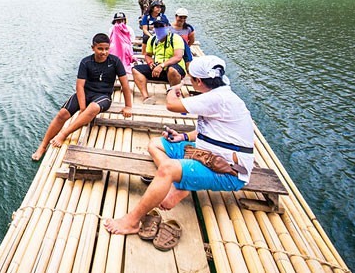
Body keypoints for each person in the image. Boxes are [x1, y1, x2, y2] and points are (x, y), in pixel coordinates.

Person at [104, 55, 254, 235]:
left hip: (228, 171)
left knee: (167, 169)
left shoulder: (217, 99)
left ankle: (132, 221)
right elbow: (206, 130)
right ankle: (181, 183)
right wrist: (183, 136)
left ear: (198, 81)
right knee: (155, 144)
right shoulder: (218, 95)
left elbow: (171, 105)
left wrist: (172, 89)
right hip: (205, 153)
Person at [32, 33, 133, 161]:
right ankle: (42, 146)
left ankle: (64, 134)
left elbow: (125, 84)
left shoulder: (115, 61)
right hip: (86, 93)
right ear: (93, 48)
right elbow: (80, 86)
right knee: (62, 113)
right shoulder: (86, 62)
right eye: (100, 49)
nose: (104, 52)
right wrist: (82, 108)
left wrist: (128, 106)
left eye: (107, 49)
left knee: (93, 108)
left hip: (103, 96)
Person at [133, 20, 185, 104]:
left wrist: (162, 65)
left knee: (172, 70)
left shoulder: (175, 38)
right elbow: (148, 55)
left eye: (161, 26)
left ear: (168, 26)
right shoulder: (152, 39)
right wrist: (150, 63)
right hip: (157, 68)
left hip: (174, 68)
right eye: (156, 27)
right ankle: (145, 97)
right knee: (136, 70)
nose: (158, 29)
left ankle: (173, 95)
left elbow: (178, 56)